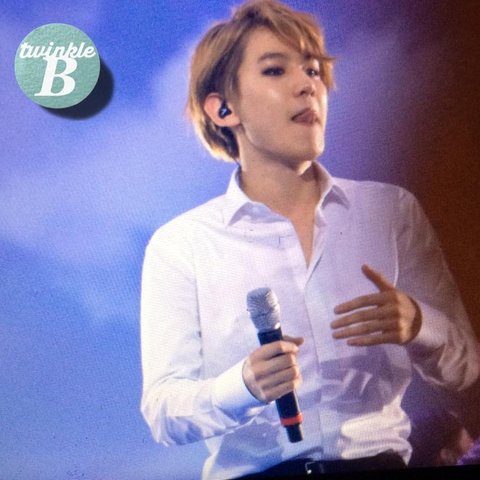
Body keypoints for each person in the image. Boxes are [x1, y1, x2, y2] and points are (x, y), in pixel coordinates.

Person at [140, 1, 480, 478]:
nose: (307, 85)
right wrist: (243, 384)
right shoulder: (182, 244)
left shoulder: (390, 210)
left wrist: (421, 325)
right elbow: (163, 411)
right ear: (222, 108)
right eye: (275, 70)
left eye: (314, 70)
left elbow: (468, 367)